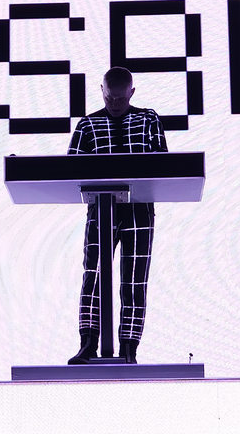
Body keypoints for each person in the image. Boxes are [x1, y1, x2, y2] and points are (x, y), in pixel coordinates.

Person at [66, 66, 168, 364]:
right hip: (101, 210)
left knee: (135, 280)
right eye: (110, 98)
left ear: (132, 93)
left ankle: (129, 349)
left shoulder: (148, 119)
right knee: (94, 275)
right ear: (102, 91)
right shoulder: (87, 125)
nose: (114, 104)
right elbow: (69, 171)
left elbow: (164, 163)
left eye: (121, 99)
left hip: (139, 209)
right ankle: (88, 344)